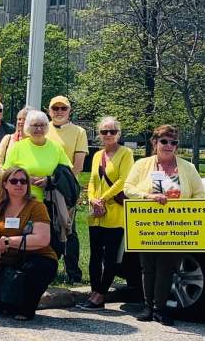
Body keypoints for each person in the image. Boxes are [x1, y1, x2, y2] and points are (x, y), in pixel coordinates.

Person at [123, 124, 205, 324]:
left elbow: (200, 194)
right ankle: (147, 307)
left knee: (166, 267)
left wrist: (184, 209)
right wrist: (148, 196)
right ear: (155, 142)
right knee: (148, 267)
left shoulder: (188, 167)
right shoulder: (142, 165)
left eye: (173, 142)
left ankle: (160, 309)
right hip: (148, 224)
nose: (169, 145)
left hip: (175, 226)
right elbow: (128, 188)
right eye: (164, 141)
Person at [0, 166, 57, 321]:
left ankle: (26, 308)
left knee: (35, 269)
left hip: (37, 257)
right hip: (6, 260)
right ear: (5, 184)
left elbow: (42, 239)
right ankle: (5, 304)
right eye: (14, 181)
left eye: (23, 181)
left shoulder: (36, 207)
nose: (19, 184)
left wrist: (8, 241)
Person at [78, 117, 134, 311]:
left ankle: (101, 294)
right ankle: (94, 292)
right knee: (95, 256)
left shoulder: (126, 153)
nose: (108, 135)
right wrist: (93, 199)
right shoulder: (97, 156)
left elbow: (123, 180)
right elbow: (93, 181)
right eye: (104, 131)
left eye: (112, 131)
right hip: (96, 214)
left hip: (114, 213)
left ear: (119, 133)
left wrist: (104, 199)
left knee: (109, 257)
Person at [44, 95, 88, 282]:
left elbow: (77, 166)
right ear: (49, 111)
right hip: (43, 188)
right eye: (55, 109)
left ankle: (73, 273)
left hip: (66, 189)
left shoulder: (79, 131)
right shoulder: (42, 129)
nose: (59, 112)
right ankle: (49, 269)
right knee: (47, 229)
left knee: (69, 230)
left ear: (69, 111)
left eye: (63, 108)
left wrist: (58, 182)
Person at [2, 110, 71, 201]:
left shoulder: (56, 148)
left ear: (47, 126)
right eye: (35, 125)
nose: (39, 129)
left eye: (42, 125)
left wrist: (50, 180)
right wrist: (25, 179)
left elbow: (68, 173)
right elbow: (6, 173)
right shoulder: (18, 147)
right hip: (21, 201)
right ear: (27, 127)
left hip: (50, 203)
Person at [0, 108, 31, 175]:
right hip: (6, 182)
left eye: (25, 119)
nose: (21, 122)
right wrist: (7, 178)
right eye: (19, 119)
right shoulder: (8, 139)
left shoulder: (34, 141)